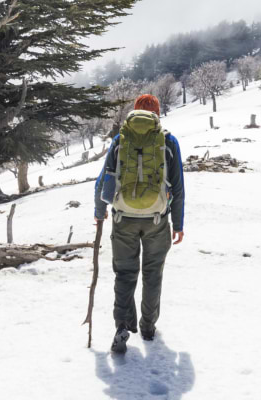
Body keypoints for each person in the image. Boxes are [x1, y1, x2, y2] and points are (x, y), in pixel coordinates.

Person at [94, 94, 185, 354]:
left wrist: (99, 211)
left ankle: (122, 325)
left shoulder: (120, 139)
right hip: (157, 219)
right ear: (157, 114)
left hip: (123, 218)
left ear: (135, 112)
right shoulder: (167, 140)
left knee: (125, 274)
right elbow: (177, 186)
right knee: (152, 274)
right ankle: (147, 327)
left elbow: (103, 180)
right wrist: (177, 224)